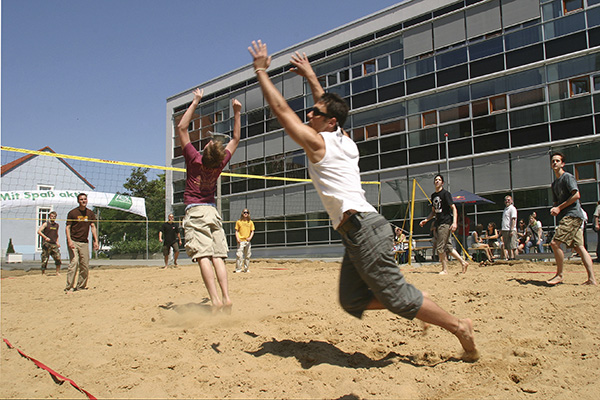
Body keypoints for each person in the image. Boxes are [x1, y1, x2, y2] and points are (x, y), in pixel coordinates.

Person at [248, 41, 478, 361]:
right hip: (359, 230)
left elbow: (281, 111)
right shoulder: (345, 141)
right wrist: (311, 77)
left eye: (314, 112)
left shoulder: (318, 143)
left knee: (398, 299)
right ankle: (417, 298)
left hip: (363, 228)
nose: (309, 113)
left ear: (329, 122)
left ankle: (458, 326)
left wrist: (260, 70)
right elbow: (327, 107)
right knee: (352, 300)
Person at [175, 88, 242, 312]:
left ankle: (215, 300)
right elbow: (236, 138)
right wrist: (237, 112)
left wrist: (195, 101)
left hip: (196, 211)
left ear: (206, 150)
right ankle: (226, 297)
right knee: (218, 256)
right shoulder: (219, 164)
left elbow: (182, 128)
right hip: (212, 212)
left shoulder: (195, 160)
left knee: (203, 255)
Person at [547, 152, 596, 285]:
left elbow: (576, 195)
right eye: (553, 161)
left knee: (554, 243)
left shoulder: (567, 177)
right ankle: (592, 279)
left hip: (573, 215)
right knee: (580, 247)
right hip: (569, 216)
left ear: (562, 164)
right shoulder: (554, 184)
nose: (555, 163)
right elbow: (556, 202)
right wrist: (554, 208)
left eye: (557, 161)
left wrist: (559, 208)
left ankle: (560, 275)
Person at [419, 174, 470, 274]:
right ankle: (463, 263)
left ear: (442, 182)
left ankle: (444, 269)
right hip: (438, 223)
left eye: (439, 180)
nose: (437, 181)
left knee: (440, 247)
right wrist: (426, 220)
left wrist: (454, 222)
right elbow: (433, 212)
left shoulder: (446, 194)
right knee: (448, 247)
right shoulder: (433, 195)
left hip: (445, 223)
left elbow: (454, 208)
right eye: (436, 180)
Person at [65, 193, 99, 292]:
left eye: (85, 199)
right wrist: (69, 241)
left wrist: (96, 241)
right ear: (78, 201)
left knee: (84, 265)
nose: (83, 201)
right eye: (81, 199)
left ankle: (81, 286)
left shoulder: (90, 213)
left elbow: (93, 227)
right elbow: (67, 228)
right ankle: (69, 287)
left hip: (84, 242)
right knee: (74, 262)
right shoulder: (72, 213)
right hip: (74, 241)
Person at [37, 211, 62, 275]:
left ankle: (57, 272)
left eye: (54, 217)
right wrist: (45, 237)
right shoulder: (46, 224)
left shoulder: (56, 225)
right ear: (49, 217)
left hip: (54, 244)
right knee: (45, 259)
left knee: (58, 258)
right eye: (51, 216)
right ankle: (43, 272)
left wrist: (57, 242)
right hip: (47, 244)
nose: (53, 217)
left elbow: (56, 235)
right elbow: (39, 231)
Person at [234, 209, 255, 273]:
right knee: (239, 255)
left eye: (247, 212)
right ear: (242, 213)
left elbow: (252, 231)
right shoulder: (239, 222)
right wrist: (237, 238)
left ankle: (246, 269)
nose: (246, 213)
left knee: (247, 256)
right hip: (241, 241)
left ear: (248, 214)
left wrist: (250, 238)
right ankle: (238, 269)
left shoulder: (250, 222)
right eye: (244, 212)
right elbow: (236, 231)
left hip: (247, 241)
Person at [501, 195, 518, 260]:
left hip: (510, 230)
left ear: (511, 201)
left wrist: (511, 230)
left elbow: (513, 220)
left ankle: (516, 259)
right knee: (508, 247)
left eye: (508, 200)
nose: (507, 201)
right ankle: (511, 258)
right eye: (505, 200)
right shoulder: (505, 209)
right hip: (505, 230)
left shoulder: (512, 208)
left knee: (513, 246)